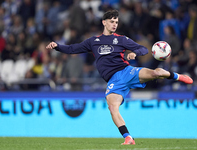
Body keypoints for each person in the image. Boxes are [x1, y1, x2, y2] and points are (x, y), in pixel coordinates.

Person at [46, 10, 193, 145]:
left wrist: (135, 53)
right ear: (104, 22)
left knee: (156, 73)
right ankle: (128, 137)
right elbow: (73, 49)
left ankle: (177, 76)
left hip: (126, 71)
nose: (115, 24)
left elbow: (143, 49)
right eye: (112, 21)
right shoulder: (93, 42)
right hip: (114, 81)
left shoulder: (121, 39)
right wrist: (57, 46)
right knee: (112, 107)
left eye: (116, 22)